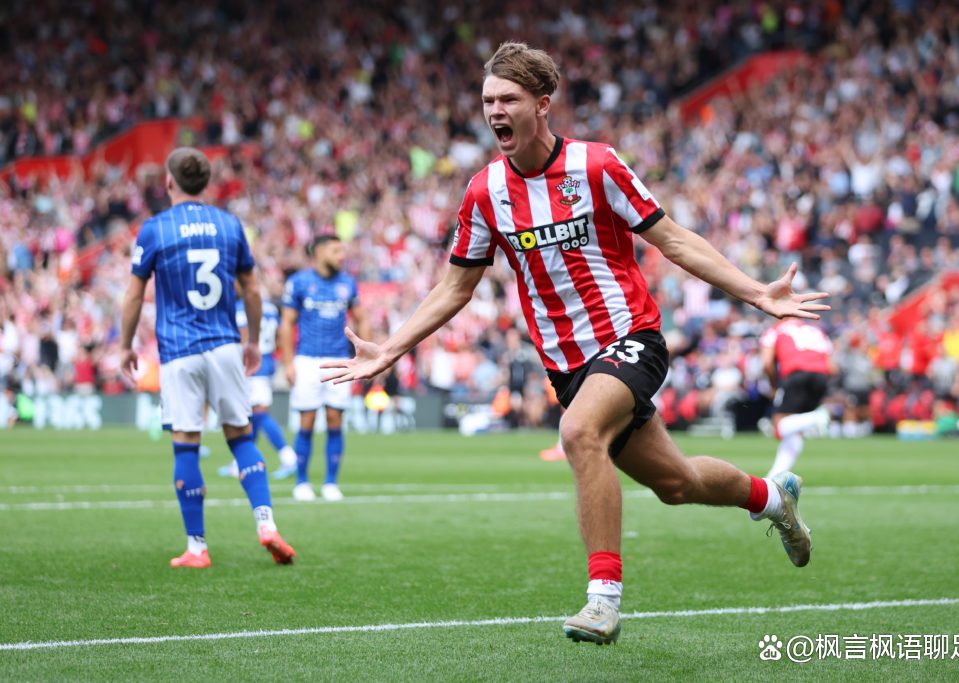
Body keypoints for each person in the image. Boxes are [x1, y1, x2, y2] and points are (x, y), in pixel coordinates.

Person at [320, 42, 828, 645]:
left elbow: (673, 240)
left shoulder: (597, 165)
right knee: (676, 484)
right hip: (568, 367)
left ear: (542, 104)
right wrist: (389, 349)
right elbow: (456, 286)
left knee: (579, 432)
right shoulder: (484, 192)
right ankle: (773, 499)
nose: (494, 111)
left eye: (508, 99)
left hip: (631, 337)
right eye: (487, 100)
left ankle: (602, 601)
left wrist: (756, 292)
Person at [120, 147, 295, 568]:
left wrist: (125, 345)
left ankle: (197, 548)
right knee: (241, 437)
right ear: (206, 182)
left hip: (180, 351)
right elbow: (252, 289)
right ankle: (266, 524)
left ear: (169, 182)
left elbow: (134, 294)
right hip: (224, 345)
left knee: (186, 445)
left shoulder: (155, 229)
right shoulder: (229, 225)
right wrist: (253, 341)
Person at [280, 234, 367, 502]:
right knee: (306, 421)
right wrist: (288, 362)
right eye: (335, 250)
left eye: (342, 250)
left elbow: (362, 319)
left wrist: (364, 355)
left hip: (339, 360)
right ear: (318, 252)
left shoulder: (347, 283)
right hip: (307, 360)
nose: (342, 255)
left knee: (335, 421)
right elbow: (286, 324)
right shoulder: (299, 282)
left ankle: (331, 482)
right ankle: (301, 482)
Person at [218, 292, 298, 480]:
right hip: (266, 362)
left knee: (259, 414)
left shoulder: (242, 307)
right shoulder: (270, 308)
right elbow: (278, 336)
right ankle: (241, 461)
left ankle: (288, 456)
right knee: (251, 416)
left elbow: (243, 339)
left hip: (249, 367)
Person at [759, 318, 834, 478]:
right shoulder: (816, 331)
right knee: (795, 431)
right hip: (821, 377)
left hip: (795, 374)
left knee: (779, 426)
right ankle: (774, 477)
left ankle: (817, 417)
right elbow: (832, 367)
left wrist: (774, 386)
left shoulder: (776, 329)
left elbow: (766, 363)